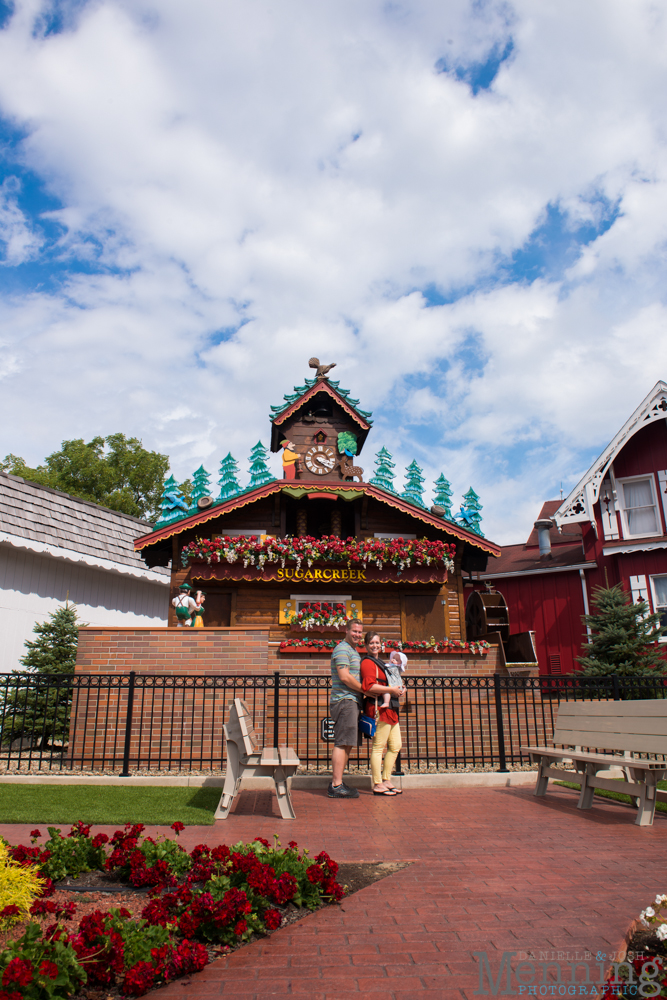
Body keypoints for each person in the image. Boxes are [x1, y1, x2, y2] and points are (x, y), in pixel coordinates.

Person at [360, 632, 405, 796]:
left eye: (377, 642)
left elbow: (392, 680)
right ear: (366, 645)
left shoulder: (381, 662)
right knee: (378, 747)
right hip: (379, 708)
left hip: (391, 708)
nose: (374, 645)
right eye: (371, 642)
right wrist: (391, 690)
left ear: (381, 644)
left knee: (396, 745)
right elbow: (369, 687)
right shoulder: (367, 662)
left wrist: (399, 688)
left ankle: (386, 779)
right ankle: (377, 783)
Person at [328, 618, 365, 798]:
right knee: (342, 743)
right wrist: (365, 689)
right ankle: (336, 786)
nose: (357, 635)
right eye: (354, 631)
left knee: (347, 744)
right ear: (346, 630)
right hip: (345, 701)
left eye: (360, 632)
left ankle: (339, 782)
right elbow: (344, 676)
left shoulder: (353, 650)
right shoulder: (342, 649)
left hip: (352, 701)